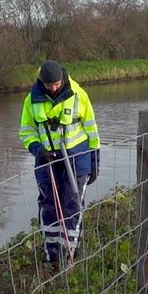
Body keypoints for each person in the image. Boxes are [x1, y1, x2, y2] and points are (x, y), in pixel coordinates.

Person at [19, 59, 100, 267]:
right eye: (49, 85)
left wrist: (94, 162)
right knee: (49, 205)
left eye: (56, 84)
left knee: (72, 205)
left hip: (77, 159)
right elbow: (26, 130)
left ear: (62, 79)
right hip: (47, 161)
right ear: (42, 82)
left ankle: (71, 254)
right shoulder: (31, 100)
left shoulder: (78, 95)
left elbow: (92, 129)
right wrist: (38, 150)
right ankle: (52, 255)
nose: (54, 88)